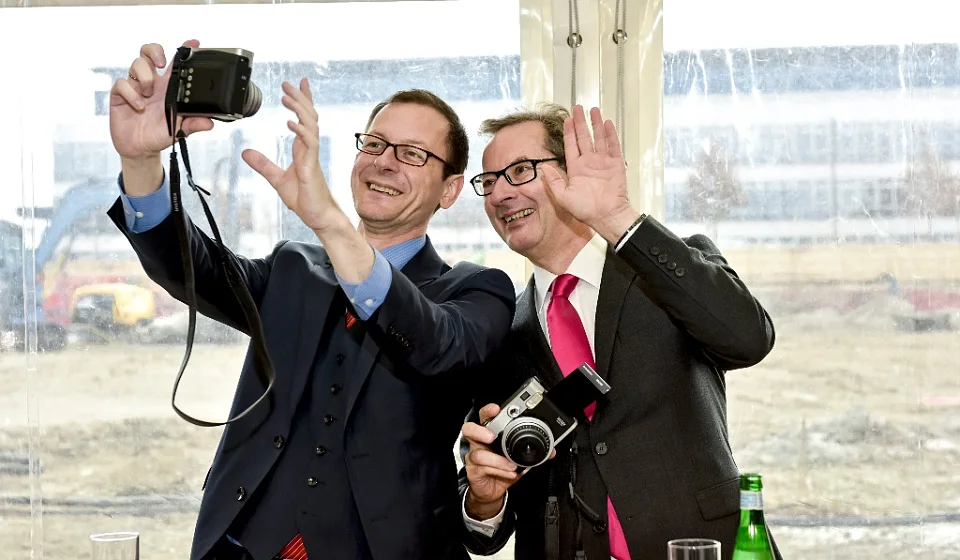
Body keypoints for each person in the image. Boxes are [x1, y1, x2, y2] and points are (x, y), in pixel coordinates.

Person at [106, 39, 517, 560]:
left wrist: (329, 222)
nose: (385, 163)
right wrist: (138, 160)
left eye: (412, 154)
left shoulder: (477, 291)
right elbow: (189, 267)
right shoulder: (293, 268)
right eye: (374, 144)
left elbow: (434, 342)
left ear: (450, 189)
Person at [457, 103, 782, 560]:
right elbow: (482, 533)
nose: (499, 194)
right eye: (488, 182)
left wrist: (616, 219)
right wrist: (485, 498)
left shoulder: (666, 270)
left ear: (573, 175)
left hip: (698, 548)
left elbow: (750, 339)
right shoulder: (500, 328)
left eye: (520, 171)